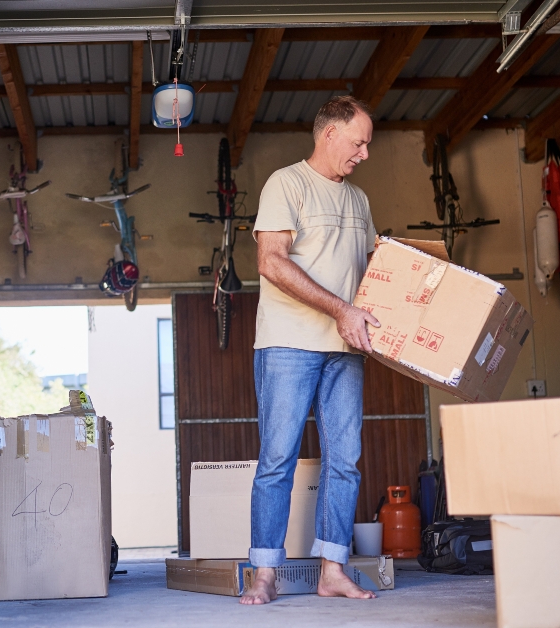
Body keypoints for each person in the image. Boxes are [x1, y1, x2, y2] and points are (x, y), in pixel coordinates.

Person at [238, 95, 380, 605]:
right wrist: (340, 309)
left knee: (345, 460)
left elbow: (371, 273)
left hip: (346, 348)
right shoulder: (287, 183)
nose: (364, 153)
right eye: (359, 142)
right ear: (330, 134)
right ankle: (266, 575)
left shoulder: (359, 201)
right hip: (288, 344)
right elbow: (271, 262)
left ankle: (332, 571)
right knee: (278, 459)